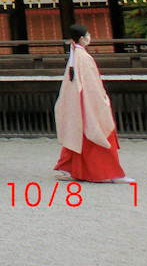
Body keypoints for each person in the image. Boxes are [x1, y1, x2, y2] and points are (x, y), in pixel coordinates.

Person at [55, 24, 135, 184]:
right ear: (82, 38)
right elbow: (92, 86)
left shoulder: (75, 55)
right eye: (87, 34)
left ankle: (72, 169)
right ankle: (112, 173)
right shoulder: (83, 57)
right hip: (89, 102)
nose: (89, 37)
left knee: (79, 136)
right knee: (101, 132)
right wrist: (102, 100)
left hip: (79, 103)